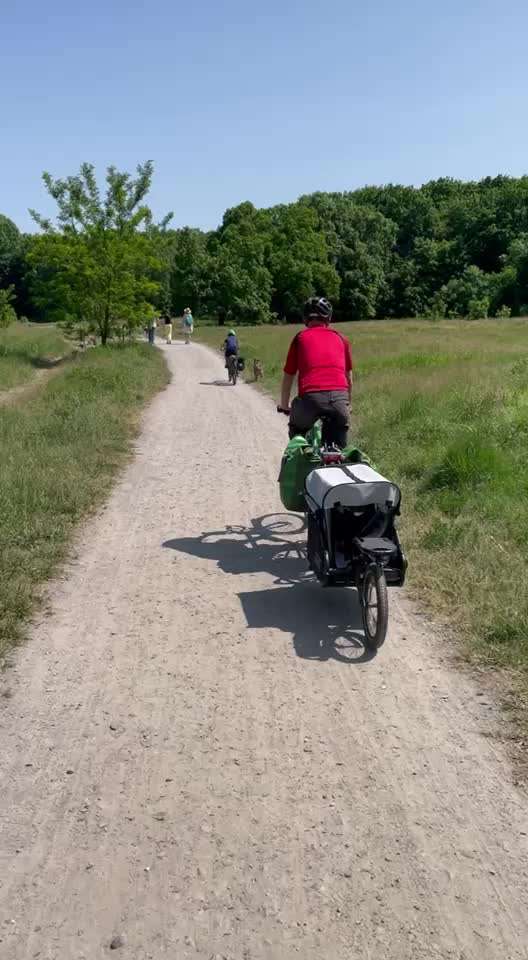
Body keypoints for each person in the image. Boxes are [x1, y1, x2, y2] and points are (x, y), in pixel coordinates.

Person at [279, 296, 352, 448]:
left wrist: (284, 405)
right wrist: (347, 404)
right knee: (339, 449)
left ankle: (299, 460)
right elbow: (349, 378)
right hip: (339, 401)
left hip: (309, 401)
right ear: (328, 317)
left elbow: (288, 377)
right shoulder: (341, 338)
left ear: (305, 318)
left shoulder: (300, 338)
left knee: (297, 434)